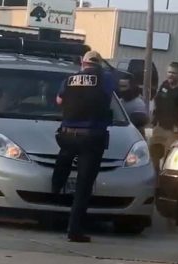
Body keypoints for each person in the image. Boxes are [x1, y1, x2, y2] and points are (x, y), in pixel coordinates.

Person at [52, 51, 116, 243]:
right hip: (91, 138)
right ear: (98, 64)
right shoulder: (104, 79)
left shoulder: (70, 79)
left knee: (64, 158)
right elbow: (111, 92)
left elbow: (59, 101)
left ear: (83, 62)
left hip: (68, 135)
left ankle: (55, 187)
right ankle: (74, 229)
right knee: (84, 185)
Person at [149, 62, 178, 173]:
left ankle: (166, 184)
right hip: (159, 128)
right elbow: (157, 101)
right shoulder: (164, 85)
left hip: (174, 132)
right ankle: (156, 183)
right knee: (152, 155)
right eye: (169, 72)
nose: (171, 75)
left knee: (169, 161)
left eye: (174, 73)